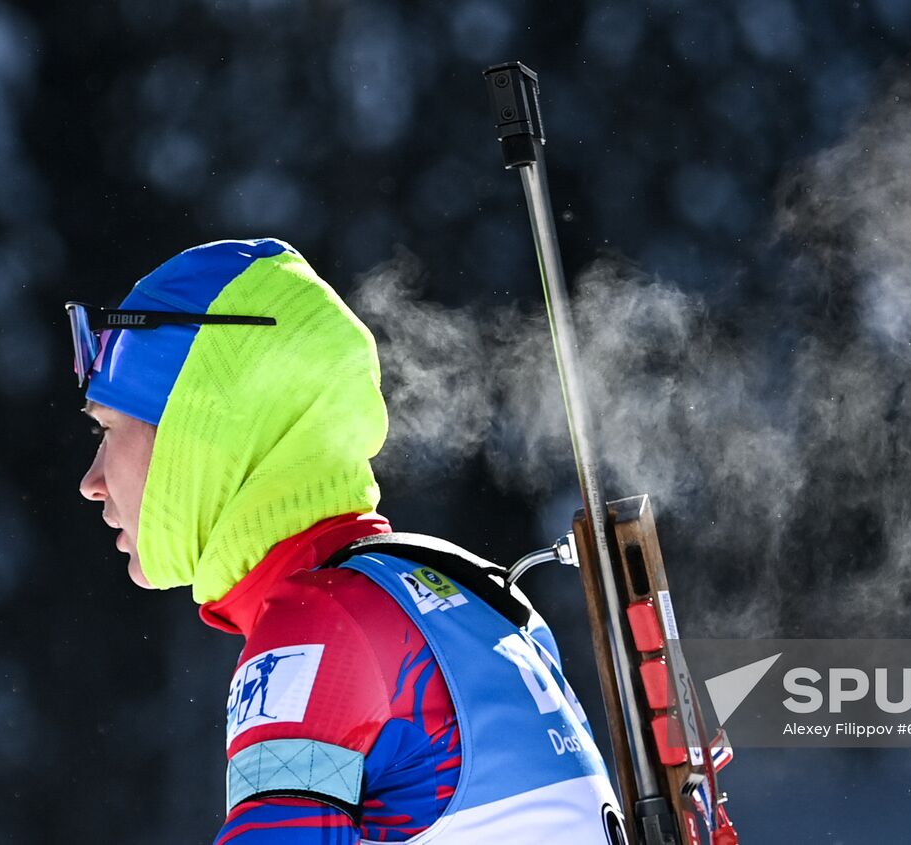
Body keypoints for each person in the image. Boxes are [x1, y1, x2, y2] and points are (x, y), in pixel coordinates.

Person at [70, 238, 624, 844]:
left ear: (202, 436)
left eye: (109, 428)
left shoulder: (320, 624)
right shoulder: (475, 593)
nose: (91, 482)